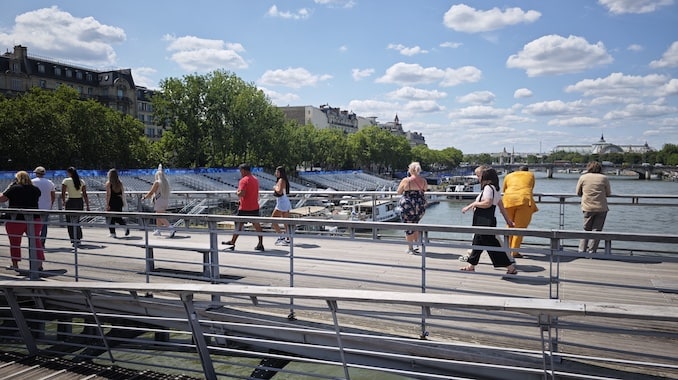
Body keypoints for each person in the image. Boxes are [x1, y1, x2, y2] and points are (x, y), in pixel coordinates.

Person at [460, 167, 517, 274]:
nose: (478, 178)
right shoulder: (495, 189)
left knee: (491, 245)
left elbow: (488, 203)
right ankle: (471, 265)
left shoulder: (488, 188)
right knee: (477, 243)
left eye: (480, 176)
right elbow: (501, 207)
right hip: (487, 221)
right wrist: (508, 221)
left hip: (483, 221)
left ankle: (510, 268)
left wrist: (473, 204)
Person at [1, 171, 45, 270]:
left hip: (16, 219)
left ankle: (15, 264)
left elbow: (2, 199)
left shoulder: (14, 188)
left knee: (15, 242)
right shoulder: (35, 189)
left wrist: (8, 188)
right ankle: (39, 264)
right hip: (34, 218)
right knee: (35, 241)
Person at [222, 163, 264, 251]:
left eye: (241, 171)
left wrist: (237, 192)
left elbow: (242, 193)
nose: (240, 173)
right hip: (254, 206)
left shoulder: (243, 180)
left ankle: (232, 243)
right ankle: (260, 243)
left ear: (244, 171)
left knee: (238, 225)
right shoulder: (255, 179)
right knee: (257, 225)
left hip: (245, 207)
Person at [501, 165, 538, 258]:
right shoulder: (530, 175)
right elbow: (531, 187)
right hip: (523, 200)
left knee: (509, 225)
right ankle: (514, 252)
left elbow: (504, 189)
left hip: (508, 200)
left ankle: (507, 248)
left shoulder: (509, 176)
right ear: (527, 170)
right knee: (519, 228)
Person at [576, 161, 611, 253]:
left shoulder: (583, 177)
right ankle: (592, 251)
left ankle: (581, 250)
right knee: (597, 230)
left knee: (586, 229)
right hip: (601, 207)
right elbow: (608, 193)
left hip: (587, 207)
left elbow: (578, 192)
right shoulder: (604, 178)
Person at [396, 161, 427, 254]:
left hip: (408, 205)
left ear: (410, 170)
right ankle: (417, 244)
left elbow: (399, 192)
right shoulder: (423, 181)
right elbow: (424, 190)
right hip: (419, 205)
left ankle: (410, 248)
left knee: (408, 226)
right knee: (415, 224)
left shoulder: (406, 180)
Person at [142, 164, 175, 238]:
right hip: (165, 200)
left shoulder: (157, 182)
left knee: (159, 216)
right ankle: (158, 230)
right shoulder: (165, 182)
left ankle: (170, 228)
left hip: (159, 201)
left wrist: (144, 197)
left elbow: (151, 192)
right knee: (159, 215)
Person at [61, 166, 90, 247]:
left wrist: (63, 201)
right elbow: (85, 194)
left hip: (70, 201)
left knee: (70, 221)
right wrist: (87, 205)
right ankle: (78, 237)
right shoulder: (81, 181)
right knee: (77, 221)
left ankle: (74, 239)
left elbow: (63, 193)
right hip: (79, 202)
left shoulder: (66, 181)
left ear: (69, 173)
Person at [31, 166, 56, 247]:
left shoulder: (32, 182)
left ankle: (35, 241)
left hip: (35, 207)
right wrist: (51, 205)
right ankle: (42, 242)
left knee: (34, 225)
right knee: (44, 226)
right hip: (46, 207)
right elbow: (53, 196)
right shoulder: (50, 182)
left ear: (36, 173)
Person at [271, 166, 292, 246]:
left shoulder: (281, 180)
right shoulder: (284, 180)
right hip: (284, 201)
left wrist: (275, 187)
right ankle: (288, 238)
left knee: (273, 220)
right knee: (286, 221)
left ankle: (281, 236)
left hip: (282, 202)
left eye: (277, 172)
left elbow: (279, 192)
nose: (275, 173)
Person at [105, 168, 129, 238]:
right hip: (119, 201)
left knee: (110, 218)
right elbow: (122, 193)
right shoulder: (120, 183)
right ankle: (125, 227)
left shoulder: (109, 183)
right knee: (118, 217)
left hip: (112, 201)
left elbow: (108, 194)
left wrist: (107, 204)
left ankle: (112, 233)